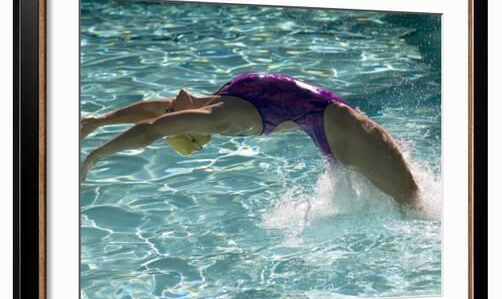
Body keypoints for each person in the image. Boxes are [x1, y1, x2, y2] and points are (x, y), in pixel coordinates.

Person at [81, 72, 419, 205]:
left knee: (406, 200)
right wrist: (95, 156)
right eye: (173, 114)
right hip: (341, 128)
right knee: (413, 202)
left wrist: (98, 121)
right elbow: (152, 129)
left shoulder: (213, 100)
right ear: (187, 125)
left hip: (332, 126)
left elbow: (152, 114)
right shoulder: (222, 118)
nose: (168, 104)